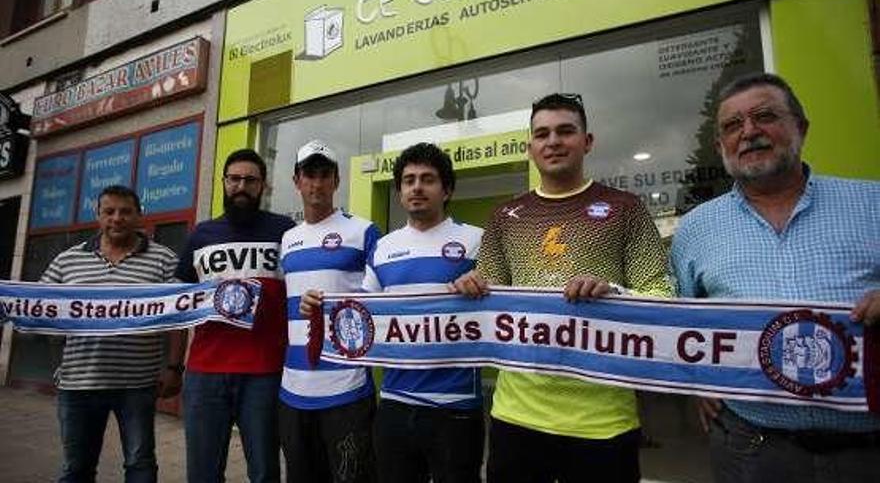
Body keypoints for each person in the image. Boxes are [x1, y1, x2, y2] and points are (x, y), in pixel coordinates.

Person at [670, 72, 880, 482]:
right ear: (720, 146)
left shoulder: (872, 203)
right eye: (733, 126)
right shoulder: (696, 228)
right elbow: (682, 318)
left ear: (800, 127)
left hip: (868, 450)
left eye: (764, 116)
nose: (749, 132)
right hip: (749, 447)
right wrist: (698, 379)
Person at [452, 93, 671, 482]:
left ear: (587, 141)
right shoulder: (505, 217)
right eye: (542, 134)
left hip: (602, 421)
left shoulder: (625, 207)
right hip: (516, 414)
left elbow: (661, 297)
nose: (553, 141)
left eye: (565, 131)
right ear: (530, 148)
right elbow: (490, 298)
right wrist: (470, 286)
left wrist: (614, 295)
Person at [301, 142, 484, 483]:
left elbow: (505, 307)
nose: (416, 187)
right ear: (399, 192)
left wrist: (485, 284)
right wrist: (319, 308)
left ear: (447, 190)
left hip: (456, 406)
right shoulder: (384, 246)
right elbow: (361, 312)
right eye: (408, 180)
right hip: (395, 404)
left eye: (427, 179)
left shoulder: (477, 240)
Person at [40, 185, 183, 483]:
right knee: (76, 468)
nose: (117, 218)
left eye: (125, 211)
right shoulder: (68, 260)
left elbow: (179, 318)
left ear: (139, 216)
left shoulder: (164, 259)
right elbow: (41, 308)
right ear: (98, 217)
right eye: (109, 211)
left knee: (140, 465)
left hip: (138, 384)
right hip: (78, 384)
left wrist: (174, 368)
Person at [176, 149, 294, 483]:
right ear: (224, 182)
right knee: (202, 473)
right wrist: (172, 366)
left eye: (250, 180)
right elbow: (176, 300)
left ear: (263, 187)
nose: (241, 186)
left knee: (265, 472)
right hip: (205, 372)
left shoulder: (285, 231)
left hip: (265, 372)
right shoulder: (201, 235)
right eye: (235, 179)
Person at [278, 140, 380, 483]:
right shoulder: (288, 239)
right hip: (292, 391)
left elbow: (379, 302)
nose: (316, 183)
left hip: (346, 390)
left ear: (337, 181)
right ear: (297, 181)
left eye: (324, 175)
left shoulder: (363, 231)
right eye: (309, 175)